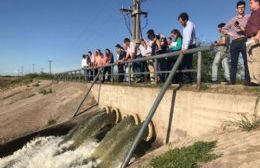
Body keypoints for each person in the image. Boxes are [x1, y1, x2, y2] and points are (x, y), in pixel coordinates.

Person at [222, 0, 250, 85]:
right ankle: (232, 81)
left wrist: (243, 29)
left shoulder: (248, 17)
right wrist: (230, 34)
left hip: (244, 40)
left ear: (245, 8)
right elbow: (223, 29)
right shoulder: (233, 19)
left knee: (246, 61)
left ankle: (247, 80)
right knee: (233, 62)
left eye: (242, 8)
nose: (241, 9)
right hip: (234, 42)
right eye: (239, 8)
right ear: (236, 9)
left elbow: (251, 28)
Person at [178, 12, 196, 83]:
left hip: (190, 46)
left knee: (187, 63)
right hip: (186, 46)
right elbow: (184, 38)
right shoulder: (184, 26)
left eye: (181, 21)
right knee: (184, 63)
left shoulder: (190, 25)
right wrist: (182, 47)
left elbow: (188, 38)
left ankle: (188, 80)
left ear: (185, 20)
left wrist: (185, 48)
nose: (180, 23)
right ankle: (187, 79)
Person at [245, 0, 260, 86]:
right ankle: (252, 80)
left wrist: (258, 36)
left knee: (256, 59)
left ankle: (257, 80)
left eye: (251, 3)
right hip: (249, 39)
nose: (249, 5)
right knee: (250, 60)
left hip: (256, 37)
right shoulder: (252, 14)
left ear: (258, 2)